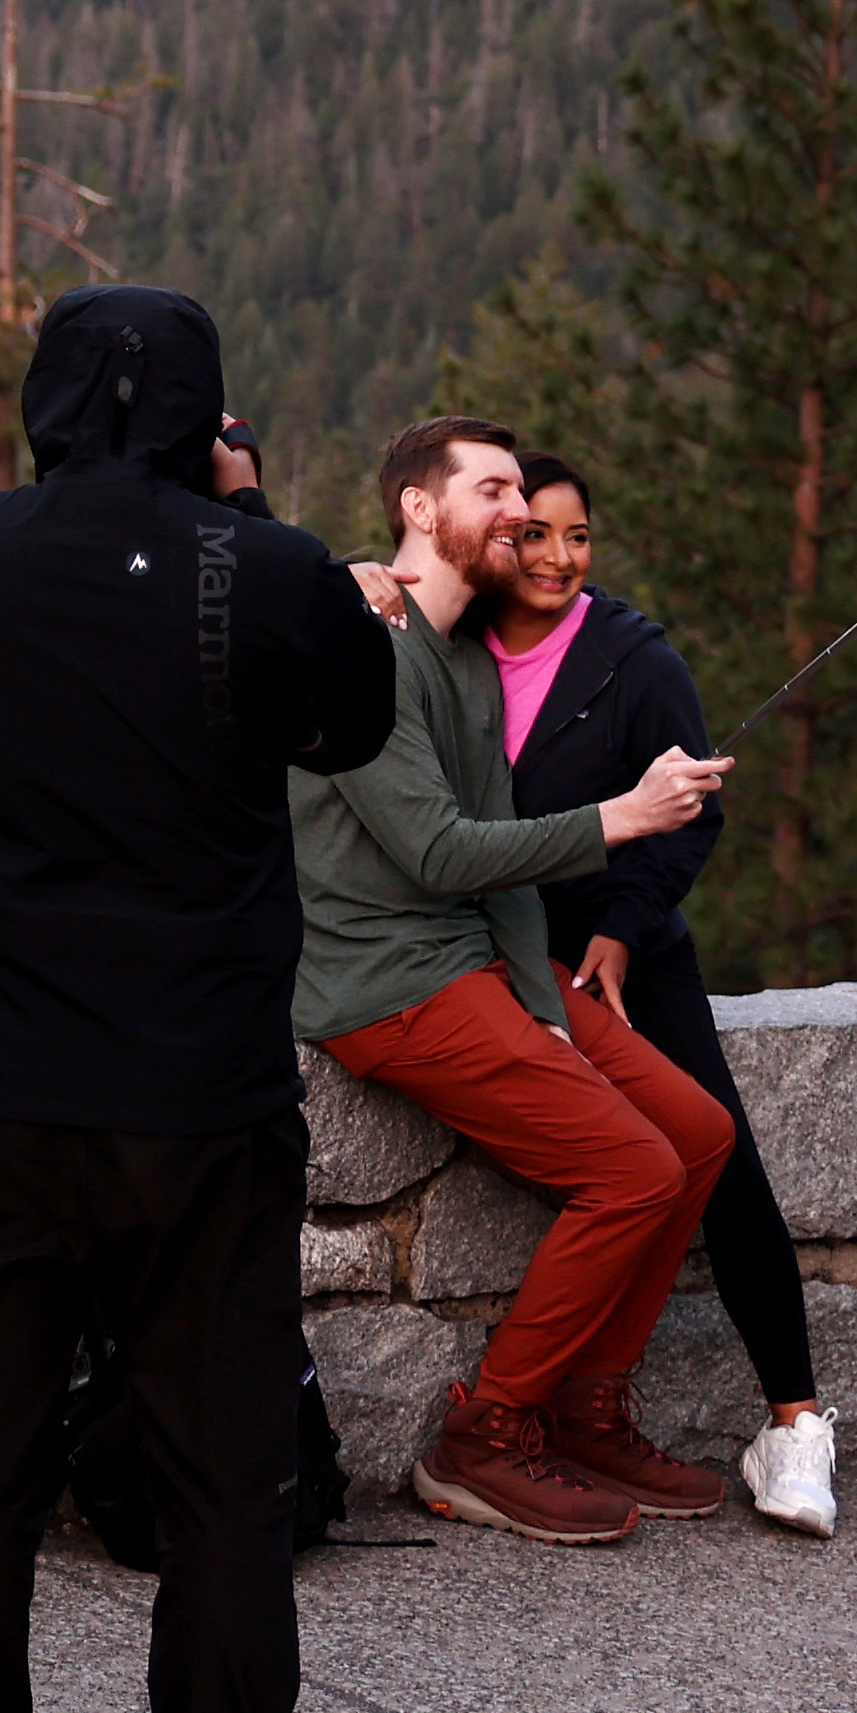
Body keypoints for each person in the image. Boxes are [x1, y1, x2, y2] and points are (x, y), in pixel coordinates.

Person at [0, 287, 399, 1713]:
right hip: (200, 1101)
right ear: (208, 417)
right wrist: (235, 520)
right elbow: (357, 719)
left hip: (6, 1084)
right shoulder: (273, 570)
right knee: (225, 1494)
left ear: (40, 404)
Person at [290, 418, 733, 1550]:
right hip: (384, 979)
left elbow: (486, 837)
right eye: (491, 492)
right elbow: (435, 851)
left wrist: (548, 1007)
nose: (516, 515)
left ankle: (584, 1404)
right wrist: (622, 816)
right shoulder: (367, 644)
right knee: (630, 1165)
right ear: (416, 510)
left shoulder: (454, 646)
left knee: (692, 1131)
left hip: (481, 958)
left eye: (521, 496)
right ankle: (481, 1435)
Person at [493, 454, 840, 1539]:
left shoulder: (632, 657)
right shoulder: (442, 644)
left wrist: (619, 926)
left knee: (720, 1153)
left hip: (623, 945)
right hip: (489, 949)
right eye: (534, 535)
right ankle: (563, 1402)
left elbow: (693, 807)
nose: (557, 557)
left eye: (577, 535)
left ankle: (792, 1421)